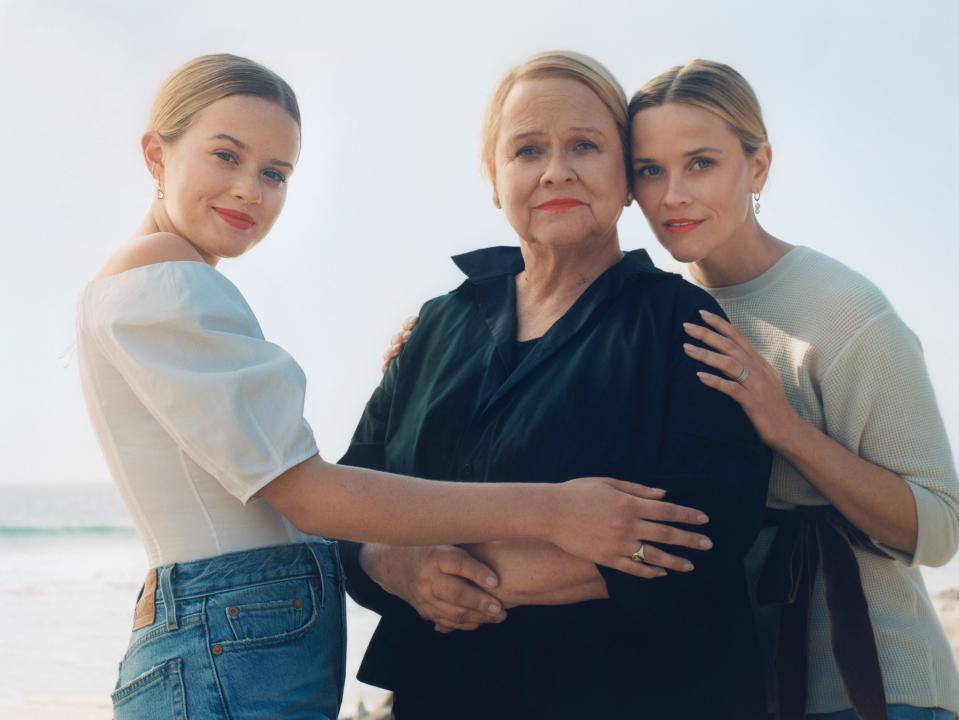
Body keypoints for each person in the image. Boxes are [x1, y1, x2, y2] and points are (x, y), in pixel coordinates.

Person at [75, 53, 712, 720]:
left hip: (240, 637)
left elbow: (712, 526)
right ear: (157, 155)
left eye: (274, 173)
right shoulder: (169, 287)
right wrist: (541, 514)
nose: (248, 191)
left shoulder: (669, 321)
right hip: (228, 641)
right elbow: (315, 495)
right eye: (225, 157)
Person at [385, 58, 959, 720]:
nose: (672, 195)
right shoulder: (667, 310)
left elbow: (939, 529)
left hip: (866, 676)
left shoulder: (843, 310)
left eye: (700, 164)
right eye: (651, 170)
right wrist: (448, 340)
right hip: (757, 667)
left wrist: (786, 429)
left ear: (758, 167)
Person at [340, 51, 773, 720]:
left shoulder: (679, 323)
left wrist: (476, 584)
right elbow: (349, 495)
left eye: (584, 146)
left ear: (625, 176)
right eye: (526, 150)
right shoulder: (437, 325)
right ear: (494, 176)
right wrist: (398, 567)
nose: (555, 171)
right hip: (439, 696)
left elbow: (708, 528)